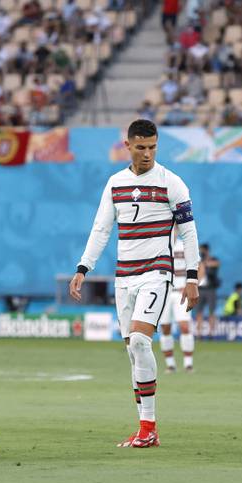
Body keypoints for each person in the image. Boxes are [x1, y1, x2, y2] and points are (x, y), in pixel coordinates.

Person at [69, 119, 200, 448]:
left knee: (141, 342)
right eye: (141, 147)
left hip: (157, 272)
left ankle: (149, 427)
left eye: (153, 147)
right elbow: (101, 230)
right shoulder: (115, 184)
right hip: (124, 276)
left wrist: (193, 276)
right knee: (133, 351)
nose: (147, 153)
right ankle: (145, 428)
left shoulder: (173, 183)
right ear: (127, 146)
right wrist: (83, 268)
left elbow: (189, 231)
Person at [159, 230, 196, 373]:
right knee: (165, 328)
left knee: (185, 327)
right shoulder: (159, 247)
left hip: (181, 291)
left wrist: (191, 284)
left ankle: (188, 364)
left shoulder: (185, 246)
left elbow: (199, 267)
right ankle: (170, 364)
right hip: (163, 292)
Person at [195, 243, 221, 335]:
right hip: (200, 289)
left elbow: (216, 264)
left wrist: (204, 263)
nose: (200, 252)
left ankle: (211, 333)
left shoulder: (213, 259)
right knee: (199, 312)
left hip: (210, 289)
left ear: (207, 251)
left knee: (211, 312)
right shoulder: (198, 261)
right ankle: (198, 333)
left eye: (202, 250)